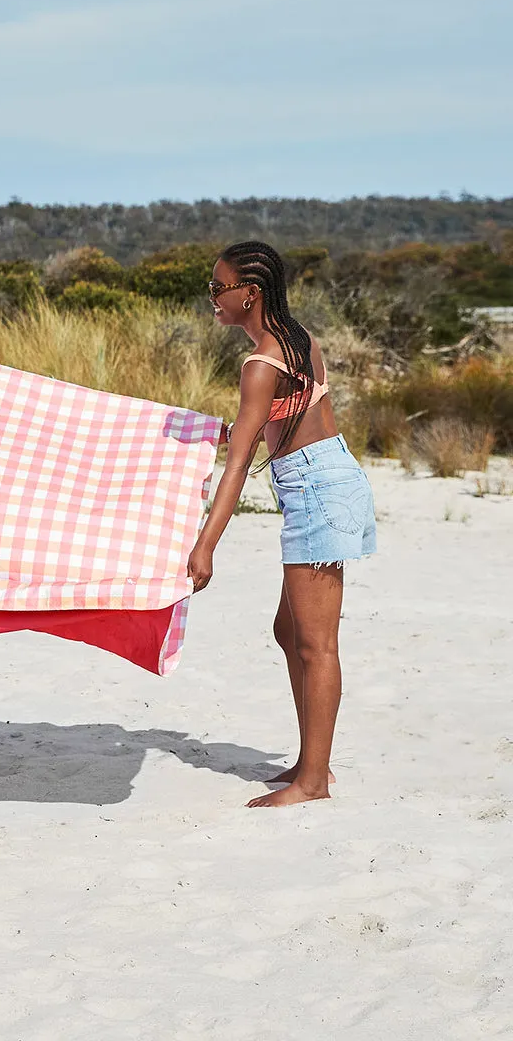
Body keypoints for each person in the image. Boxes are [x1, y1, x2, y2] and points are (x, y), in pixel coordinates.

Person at [187, 240, 376, 809]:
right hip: (326, 478)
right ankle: (308, 762)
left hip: (317, 490)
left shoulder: (261, 362)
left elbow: (240, 463)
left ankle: (314, 781)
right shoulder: (299, 341)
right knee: (289, 632)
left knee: (316, 644)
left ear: (252, 292)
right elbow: (284, 419)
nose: (213, 299)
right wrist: (230, 431)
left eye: (220, 289)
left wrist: (205, 546)